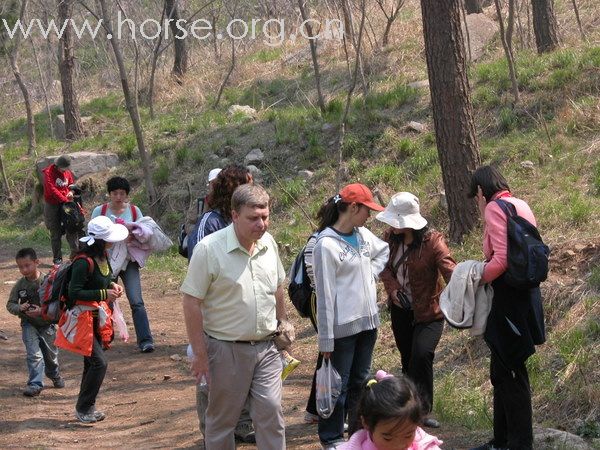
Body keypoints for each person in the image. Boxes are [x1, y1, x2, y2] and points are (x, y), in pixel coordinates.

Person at [181, 184, 289, 450]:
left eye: (265, 216)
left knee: (271, 413)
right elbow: (191, 302)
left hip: (267, 348)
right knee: (221, 422)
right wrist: (200, 353)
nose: (261, 224)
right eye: (253, 218)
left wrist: (284, 323)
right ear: (234, 215)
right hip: (224, 350)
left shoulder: (269, 243)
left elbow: (277, 287)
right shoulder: (209, 249)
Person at [468, 165, 542, 450]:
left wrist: (477, 278)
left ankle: (520, 443)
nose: (476, 201)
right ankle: (502, 440)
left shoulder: (494, 208)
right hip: (526, 296)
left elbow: (501, 260)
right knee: (502, 370)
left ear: (480, 190)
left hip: (508, 299)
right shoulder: (520, 203)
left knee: (511, 372)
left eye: (474, 194)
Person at [313, 183, 390, 449]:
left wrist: (371, 272)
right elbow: (324, 295)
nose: (369, 216)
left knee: (360, 381)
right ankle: (332, 437)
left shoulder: (363, 234)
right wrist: (326, 340)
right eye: (366, 210)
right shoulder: (325, 244)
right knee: (339, 386)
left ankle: (356, 434)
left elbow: (384, 252)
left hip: (368, 324)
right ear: (353, 207)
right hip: (341, 328)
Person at [185, 164, 257, 443]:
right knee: (210, 377)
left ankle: (241, 423)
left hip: (239, 314)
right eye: (247, 184)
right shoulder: (210, 223)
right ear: (233, 188)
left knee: (241, 373)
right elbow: (199, 273)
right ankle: (210, 430)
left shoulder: (241, 219)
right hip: (213, 313)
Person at [376, 192, 455, 428]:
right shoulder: (390, 239)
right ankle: (409, 410)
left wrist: (465, 291)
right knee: (407, 359)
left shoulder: (433, 242)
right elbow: (383, 267)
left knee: (422, 355)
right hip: (401, 310)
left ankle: (423, 409)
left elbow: (450, 270)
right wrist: (393, 289)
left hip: (430, 312)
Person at [61, 215, 128, 423]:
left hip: (96, 318)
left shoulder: (102, 256)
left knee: (91, 364)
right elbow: (74, 293)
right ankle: (83, 408)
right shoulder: (83, 262)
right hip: (83, 320)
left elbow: (104, 280)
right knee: (99, 363)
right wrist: (103, 295)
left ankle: (86, 406)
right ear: (100, 240)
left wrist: (112, 286)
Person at [91, 176, 154, 353]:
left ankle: (145, 340)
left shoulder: (134, 211)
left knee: (136, 301)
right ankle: (104, 337)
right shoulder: (100, 211)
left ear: (127, 194)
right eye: (115, 193)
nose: (118, 197)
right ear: (109, 194)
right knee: (105, 298)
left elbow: (144, 233)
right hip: (105, 261)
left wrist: (131, 235)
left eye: (122, 193)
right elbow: (92, 234)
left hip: (129, 261)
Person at [6, 248, 65, 397]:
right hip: (29, 324)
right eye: (20, 267)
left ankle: (54, 374)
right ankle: (35, 384)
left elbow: (57, 304)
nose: (24, 270)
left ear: (36, 262)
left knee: (51, 355)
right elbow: (10, 304)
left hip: (47, 324)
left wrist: (42, 310)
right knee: (34, 354)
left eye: (27, 265)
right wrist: (20, 308)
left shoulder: (48, 281)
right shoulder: (20, 285)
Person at [340, 370, 443, 450]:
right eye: (388, 438)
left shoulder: (425, 446)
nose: (398, 445)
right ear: (366, 423)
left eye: (408, 435)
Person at [42, 155, 79, 264]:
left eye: (67, 168)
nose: (65, 170)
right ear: (57, 166)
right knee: (55, 231)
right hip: (53, 205)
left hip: (67, 204)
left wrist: (71, 192)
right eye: (64, 168)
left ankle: (75, 254)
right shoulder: (48, 173)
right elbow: (52, 189)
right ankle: (57, 258)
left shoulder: (67, 172)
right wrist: (64, 200)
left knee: (72, 227)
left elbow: (72, 184)